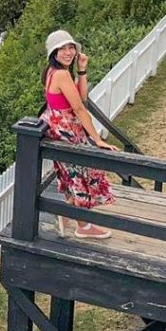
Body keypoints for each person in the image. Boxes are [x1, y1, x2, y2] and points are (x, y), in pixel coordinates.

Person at [41, 30, 117, 240]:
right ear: (53, 53)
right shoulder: (61, 74)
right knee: (80, 174)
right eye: (62, 49)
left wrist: (82, 70)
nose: (68, 52)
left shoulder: (53, 71)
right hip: (68, 128)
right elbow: (79, 108)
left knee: (70, 173)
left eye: (70, 47)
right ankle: (83, 226)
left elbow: (81, 96)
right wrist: (97, 139)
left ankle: (68, 215)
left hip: (58, 126)